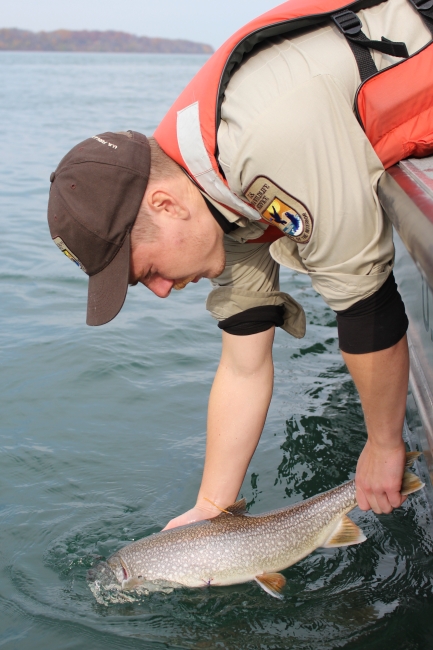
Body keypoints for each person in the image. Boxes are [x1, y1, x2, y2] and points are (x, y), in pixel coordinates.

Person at [47, 0, 432, 529]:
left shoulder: (265, 141)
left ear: (165, 205)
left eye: (147, 271)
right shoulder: (209, 194)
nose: (161, 291)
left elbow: (365, 302)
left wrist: (385, 444)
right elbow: (243, 364)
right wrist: (210, 509)